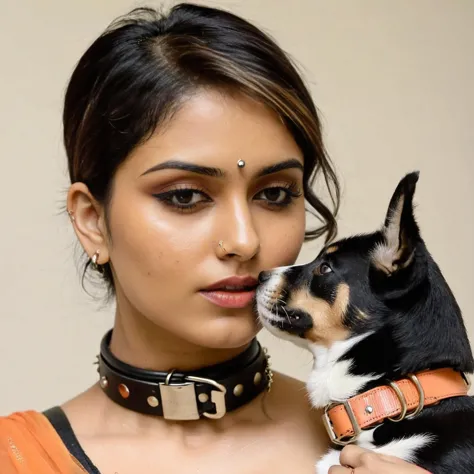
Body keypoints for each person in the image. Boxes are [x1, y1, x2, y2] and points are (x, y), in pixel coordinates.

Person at [0, 3, 431, 473]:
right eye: (185, 197)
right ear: (91, 221)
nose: (244, 242)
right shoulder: (16, 458)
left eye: (273, 193)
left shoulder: (397, 443)